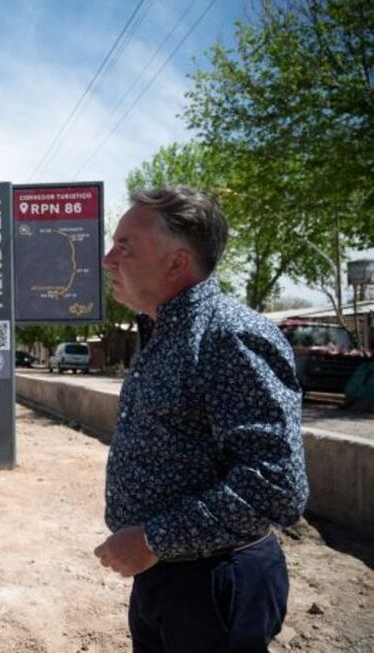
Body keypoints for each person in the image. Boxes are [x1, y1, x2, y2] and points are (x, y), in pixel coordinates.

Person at [94, 187, 309, 652]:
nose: (108, 260)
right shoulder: (161, 332)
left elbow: (276, 485)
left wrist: (153, 539)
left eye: (124, 247)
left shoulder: (228, 335)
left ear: (176, 263)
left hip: (214, 583)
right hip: (167, 577)